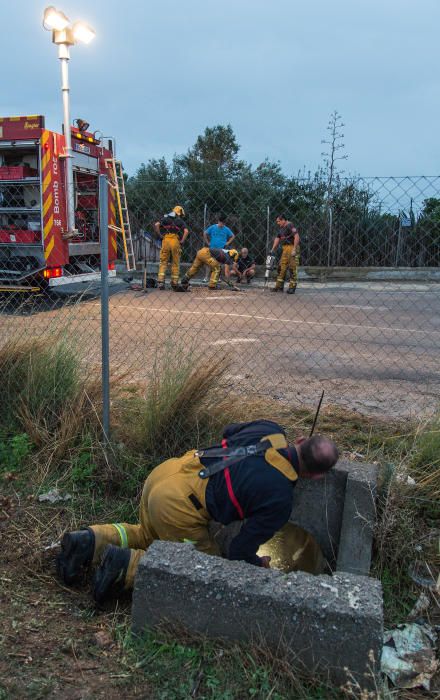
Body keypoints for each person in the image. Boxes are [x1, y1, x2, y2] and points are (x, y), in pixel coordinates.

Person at [57, 419, 339, 603]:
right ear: (316, 477)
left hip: (170, 472)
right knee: (206, 570)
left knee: (146, 535)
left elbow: (229, 431)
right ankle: (125, 566)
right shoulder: (280, 500)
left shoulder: (272, 430)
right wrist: (258, 565)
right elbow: (239, 551)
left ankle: (89, 540)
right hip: (181, 507)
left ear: (300, 440)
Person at [154, 205, 189, 290]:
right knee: (175, 262)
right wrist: (182, 241)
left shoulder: (165, 219)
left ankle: (161, 282)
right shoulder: (180, 221)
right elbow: (186, 231)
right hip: (175, 241)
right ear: (179, 213)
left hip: (166, 240)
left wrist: (159, 235)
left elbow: (156, 224)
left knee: (163, 261)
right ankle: (174, 282)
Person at [270, 215, 300, 294]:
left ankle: (292, 287)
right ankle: (279, 286)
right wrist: (272, 249)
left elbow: (296, 236)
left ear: (283, 220)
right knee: (281, 267)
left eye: (279, 221)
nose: (278, 223)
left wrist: (294, 249)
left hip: (291, 247)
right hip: (285, 248)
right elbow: (277, 238)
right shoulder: (281, 228)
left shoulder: (290, 225)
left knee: (292, 268)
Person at [204, 215, 235, 283]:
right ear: (218, 221)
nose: (222, 224)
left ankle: (217, 278)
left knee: (219, 264)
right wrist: (208, 242)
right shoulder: (212, 227)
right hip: (212, 248)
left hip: (221, 249)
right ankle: (206, 277)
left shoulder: (226, 229)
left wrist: (227, 243)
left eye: (223, 223)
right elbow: (205, 233)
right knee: (209, 262)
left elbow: (232, 236)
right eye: (221, 223)